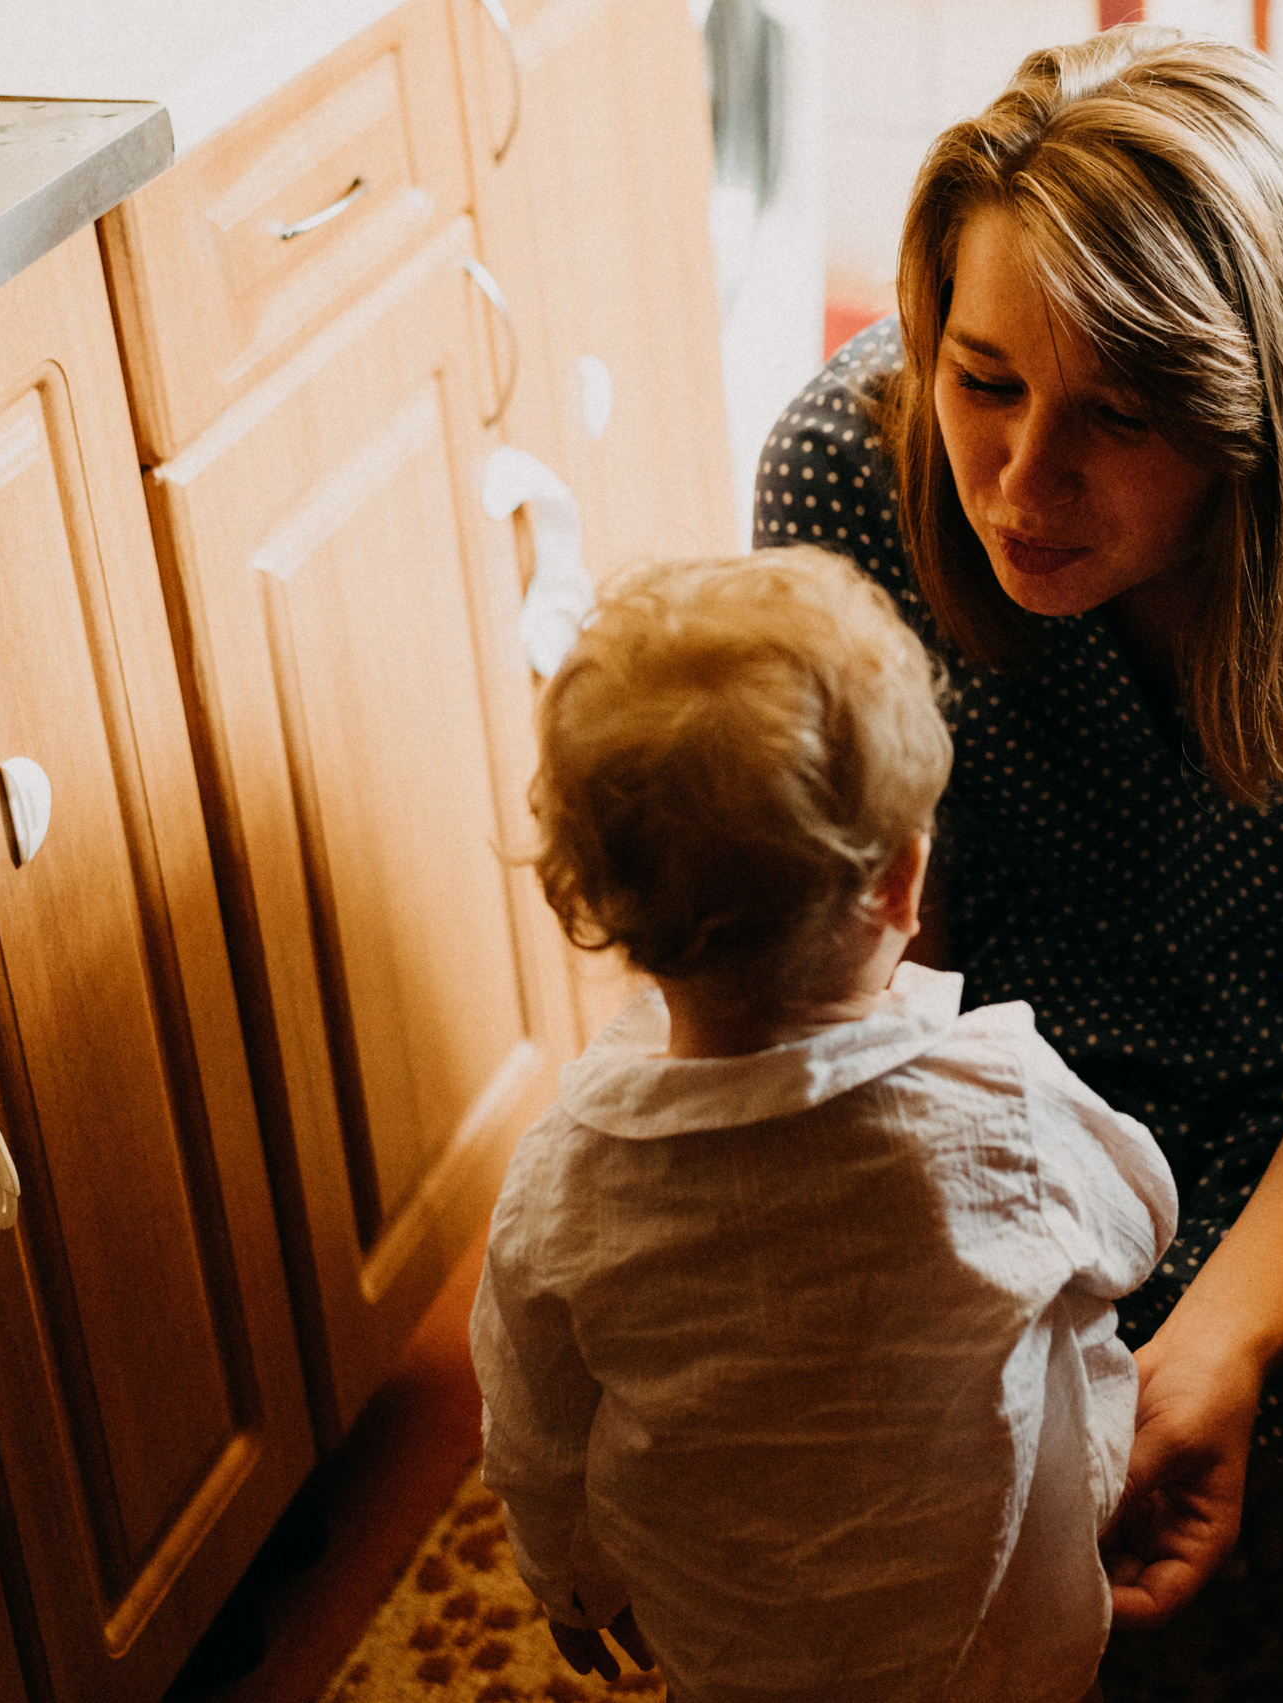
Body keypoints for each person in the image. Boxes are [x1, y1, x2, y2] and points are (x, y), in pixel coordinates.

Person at [754, 27, 1283, 1624]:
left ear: (1255, 411)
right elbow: (884, 964)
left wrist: (1216, 1348)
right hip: (1015, 1002)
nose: (1020, 480)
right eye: (982, 379)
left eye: (1120, 419)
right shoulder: (842, 465)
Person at [470, 548, 1179, 1703]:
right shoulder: (994, 1094)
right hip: (998, 1622)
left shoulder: (562, 1180)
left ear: (591, 905)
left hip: (738, 1641)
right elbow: (1137, 1220)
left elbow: (535, 1426)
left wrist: (565, 1575)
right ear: (904, 880)